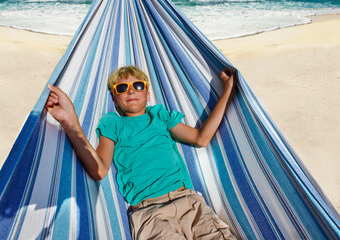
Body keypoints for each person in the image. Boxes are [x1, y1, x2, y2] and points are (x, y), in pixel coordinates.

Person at [46, 65, 237, 239]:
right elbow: (99, 169)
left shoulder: (159, 116)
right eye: (121, 88)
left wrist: (228, 89)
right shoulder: (113, 123)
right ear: (115, 100)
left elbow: (201, 138)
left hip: (189, 202)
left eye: (137, 85)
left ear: (147, 94)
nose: (130, 90)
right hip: (150, 213)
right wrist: (69, 121)